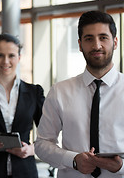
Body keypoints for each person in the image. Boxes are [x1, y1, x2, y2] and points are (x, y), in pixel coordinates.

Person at [35, 10, 124, 177]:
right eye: (89, 39)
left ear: (115, 42)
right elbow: (42, 144)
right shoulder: (60, 91)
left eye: (103, 37)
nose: (97, 45)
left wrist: (120, 166)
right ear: (80, 44)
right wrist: (73, 160)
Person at [0, 33, 45, 178]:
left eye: (11, 55)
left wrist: (32, 149)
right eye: (0, 55)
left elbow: (49, 133)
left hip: (25, 170)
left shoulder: (34, 92)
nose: (6, 61)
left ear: (19, 58)